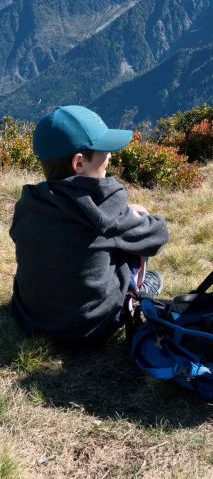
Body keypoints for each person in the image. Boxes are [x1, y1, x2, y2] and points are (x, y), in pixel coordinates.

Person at [10, 105, 169, 343]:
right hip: (91, 326)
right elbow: (157, 236)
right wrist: (139, 215)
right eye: (103, 150)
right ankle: (141, 287)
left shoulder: (29, 202)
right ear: (79, 163)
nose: (110, 156)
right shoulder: (105, 206)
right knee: (137, 222)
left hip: (31, 319)